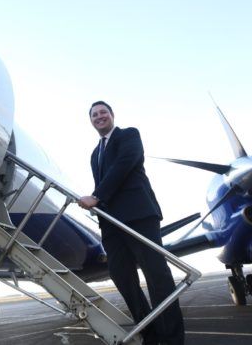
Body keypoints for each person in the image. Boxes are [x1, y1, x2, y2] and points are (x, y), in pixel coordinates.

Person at [78, 100, 184, 345]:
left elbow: (125, 164)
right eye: (95, 114)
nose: (99, 116)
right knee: (120, 275)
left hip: (138, 215)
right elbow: (104, 181)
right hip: (112, 223)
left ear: (112, 115)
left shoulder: (129, 136)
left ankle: (171, 338)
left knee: (156, 275)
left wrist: (96, 197)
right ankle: (151, 332)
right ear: (91, 121)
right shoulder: (95, 154)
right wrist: (99, 205)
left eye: (103, 112)